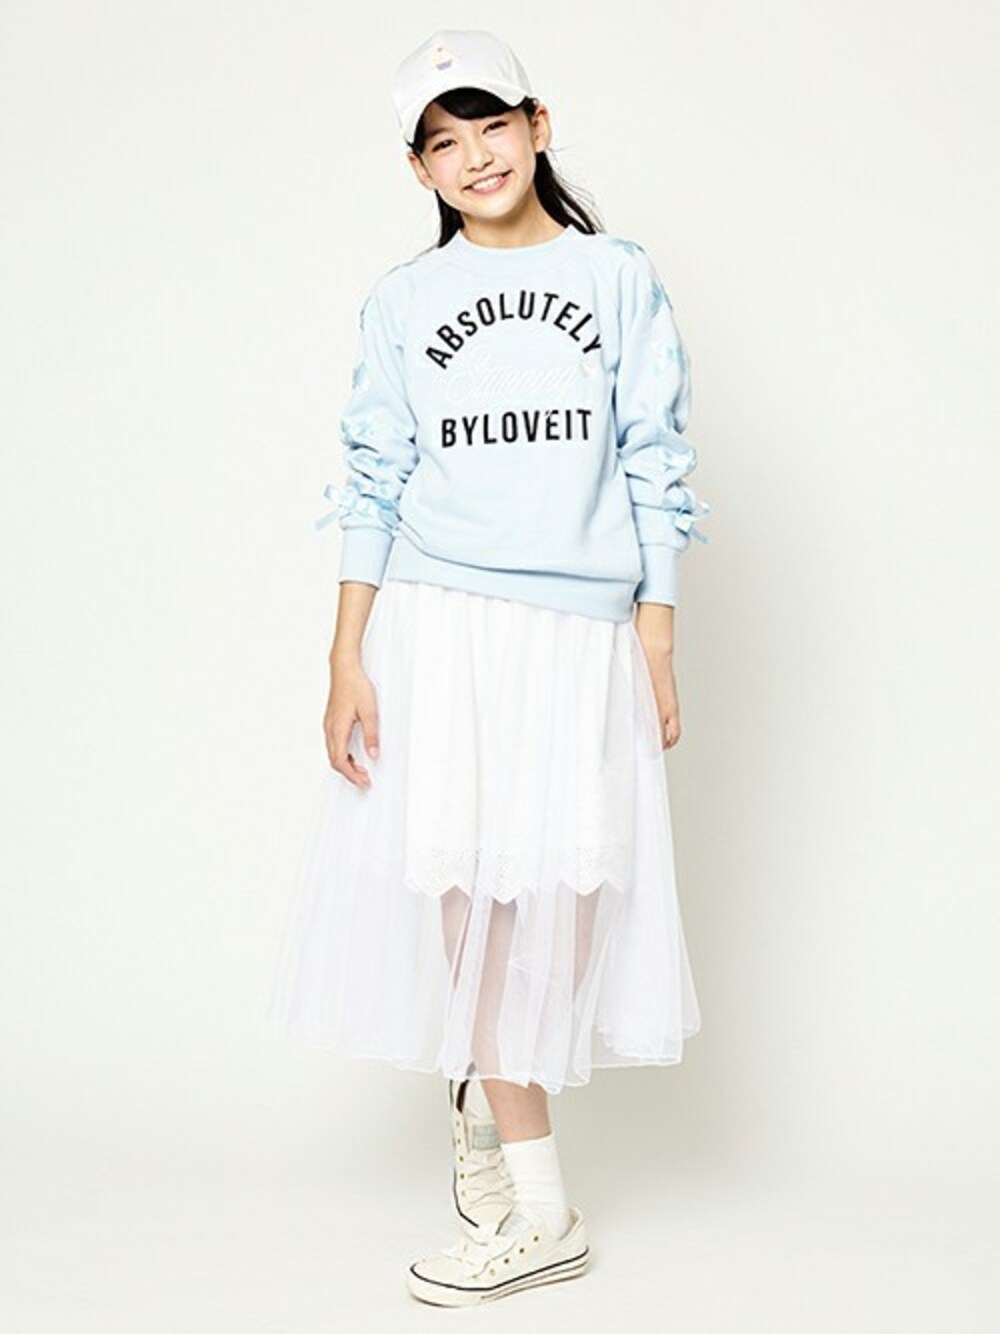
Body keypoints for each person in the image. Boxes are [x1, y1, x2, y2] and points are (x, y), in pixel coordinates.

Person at [268, 27, 711, 1307]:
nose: (475, 157)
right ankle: (543, 1205)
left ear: (537, 124)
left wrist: (657, 634)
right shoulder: (403, 302)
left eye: (491, 126)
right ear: (417, 169)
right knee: (468, 902)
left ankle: (495, 1121)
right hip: (441, 619)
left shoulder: (615, 277)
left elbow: (653, 454)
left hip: (576, 630)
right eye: (443, 142)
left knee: (557, 901)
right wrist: (346, 655)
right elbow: (373, 475)